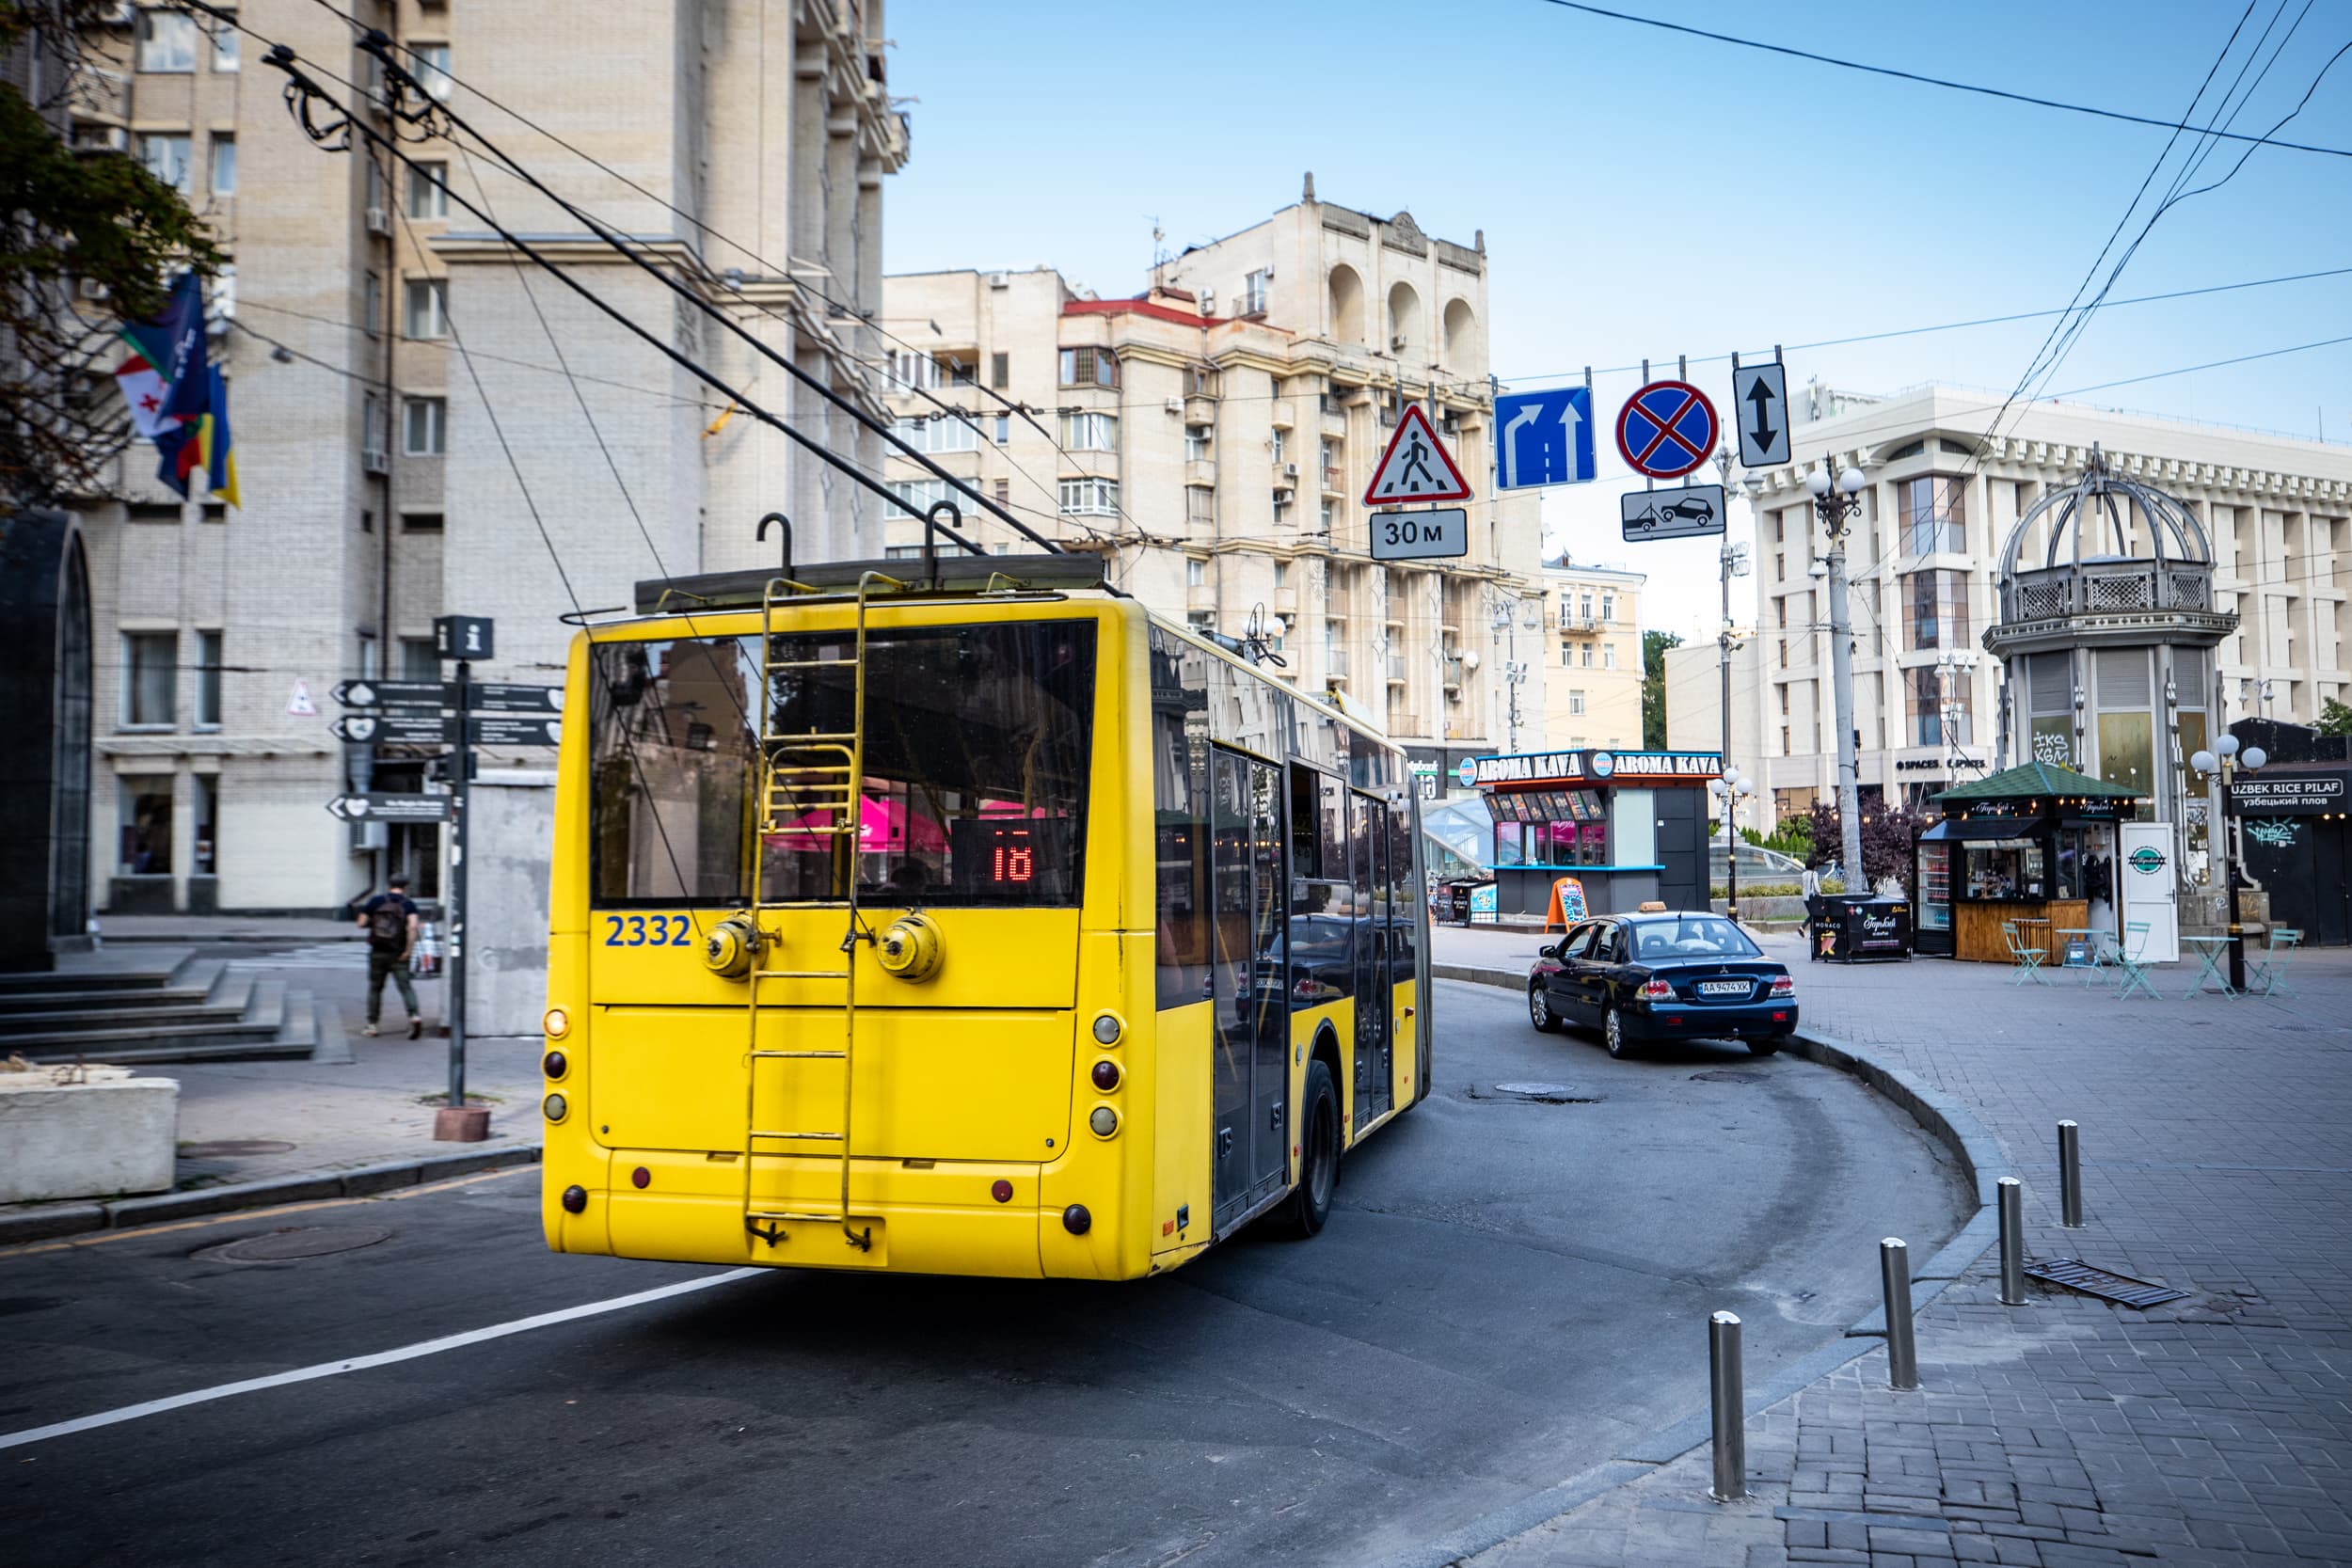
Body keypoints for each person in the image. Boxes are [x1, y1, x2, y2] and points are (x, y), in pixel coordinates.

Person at [357, 874, 424, 1038]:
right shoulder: (408, 904)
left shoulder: (376, 901)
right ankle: (414, 1016)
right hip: (398, 952)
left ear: (389, 885)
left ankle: (372, 1025)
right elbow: (413, 927)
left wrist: (374, 922)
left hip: (378, 951)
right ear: (406, 887)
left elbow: (360, 923)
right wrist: (408, 951)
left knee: (375, 988)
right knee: (405, 987)